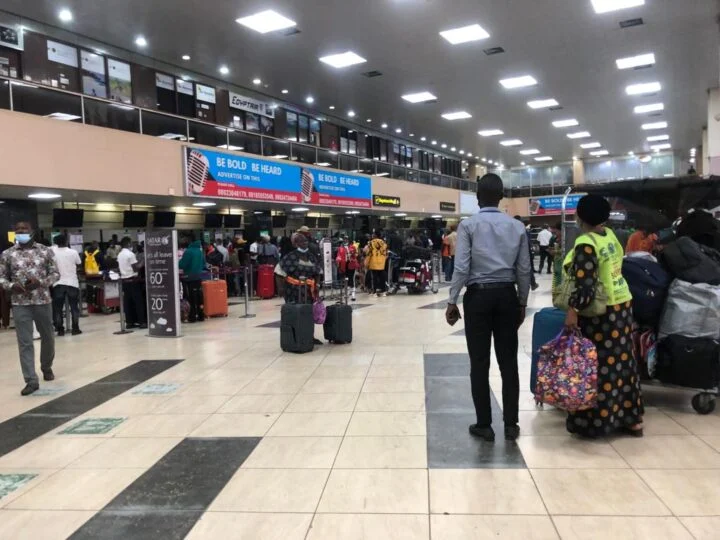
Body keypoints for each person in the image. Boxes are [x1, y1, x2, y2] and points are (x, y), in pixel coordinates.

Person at [446, 174, 531, 442]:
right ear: (501, 195)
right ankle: (511, 424)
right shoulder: (516, 227)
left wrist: (452, 300)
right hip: (506, 296)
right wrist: (522, 302)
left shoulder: (468, 226)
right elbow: (524, 270)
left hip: (478, 299)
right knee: (509, 362)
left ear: (477, 196)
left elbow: (461, 267)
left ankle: (484, 424)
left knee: (479, 362)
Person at [564, 194, 644, 438]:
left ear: (579, 216)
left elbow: (585, 287)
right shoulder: (609, 236)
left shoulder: (586, 244)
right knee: (624, 363)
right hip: (622, 304)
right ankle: (632, 419)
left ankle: (598, 422)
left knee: (598, 365)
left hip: (601, 313)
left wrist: (572, 311)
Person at [0, 221, 59, 395]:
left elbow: (55, 273)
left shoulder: (45, 251)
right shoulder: (7, 254)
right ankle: (31, 380)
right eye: (17, 230)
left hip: (42, 301)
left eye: (24, 229)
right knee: (25, 342)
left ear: (31, 232)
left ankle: (46, 366)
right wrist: (11, 286)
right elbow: (1, 277)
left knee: (48, 337)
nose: (20, 232)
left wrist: (41, 283)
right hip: (20, 304)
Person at [275, 232, 323, 345]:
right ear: (295, 243)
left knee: (309, 313)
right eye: (302, 241)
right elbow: (279, 272)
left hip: (309, 291)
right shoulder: (290, 256)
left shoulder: (311, 256)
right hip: (293, 291)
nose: (305, 243)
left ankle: (310, 336)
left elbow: (318, 272)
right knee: (296, 313)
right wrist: (280, 288)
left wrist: (317, 285)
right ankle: (297, 336)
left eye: (306, 241)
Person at [51, 234, 82, 336]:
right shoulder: (73, 252)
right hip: (72, 282)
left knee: (58, 308)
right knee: (74, 307)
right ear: (66, 241)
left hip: (58, 283)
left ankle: (60, 330)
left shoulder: (52, 252)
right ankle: (75, 328)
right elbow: (78, 263)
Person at [118, 236, 147, 329]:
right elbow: (135, 268)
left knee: (128, 302)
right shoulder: (130, 254)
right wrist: (142, 262)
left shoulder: (119, 255)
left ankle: (129, 322)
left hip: (124, 281)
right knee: (138, 302)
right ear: (129, 244)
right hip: (133, 281)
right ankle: (142, 322)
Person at [179, 235, 206, 322]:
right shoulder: (199, 251)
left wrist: (178, 263)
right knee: (199, 296)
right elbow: (203, 264)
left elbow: (182, 264)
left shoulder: (188, 252)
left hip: (189, 277)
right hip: (198, 276)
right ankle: (201, 315)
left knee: (190, 297)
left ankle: (192, 316)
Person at [515, 216, 539, 291]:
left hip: (513, 253)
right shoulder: (523, 229)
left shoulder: (512, 229)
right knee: (528, 268)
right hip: (525, 252)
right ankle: (533, 283)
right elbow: (527, 242)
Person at [365, 230, 388, 297]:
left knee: (374, 278)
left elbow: (368, 254)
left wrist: (366, 263)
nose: (372, 235)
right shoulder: (384, 243)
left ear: (375, 235)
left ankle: (374, 292)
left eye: (373, 234)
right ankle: (383, 292)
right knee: (382, 278)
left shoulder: (371, 243)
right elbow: (385, 254)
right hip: (381, 263)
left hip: (373, 263)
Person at [336, 235, 359, 301]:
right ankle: (347, 292)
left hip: (351, 265)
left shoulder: (353, 247)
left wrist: (352, 254)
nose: (345, 240)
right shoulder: (340, 248)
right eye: (344, 239)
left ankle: (353, 294)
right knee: (346, 279)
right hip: (344, 265)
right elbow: (338, 255)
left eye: (346, 239)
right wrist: (338, 260)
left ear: (349, 240)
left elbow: (355, 254)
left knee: (352, 279)